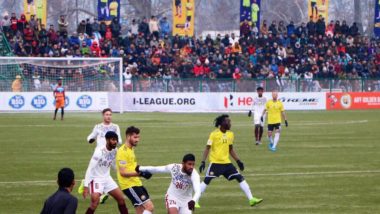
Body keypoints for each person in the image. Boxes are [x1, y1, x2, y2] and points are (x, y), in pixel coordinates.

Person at [198, 115, 263, 207]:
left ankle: (251, 199)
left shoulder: (230, 134)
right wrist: (203, 162)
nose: (230, 123)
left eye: (230, 122)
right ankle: (195, 200)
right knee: (207, 180)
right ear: (221, 123)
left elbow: (230, 149)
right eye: (227, 121)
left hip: (227, 163)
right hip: (215, 162)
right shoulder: (214, 134)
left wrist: (238, 161)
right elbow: (207, 148)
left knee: (239, 177)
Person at [136, 153, 201, 214]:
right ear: (183, 163)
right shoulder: (174, 167)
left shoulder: (194, 175)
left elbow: (198, 191)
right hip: (172, 197)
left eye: (193, 164)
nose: (191, 167)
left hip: (186, 201)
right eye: (189, 164)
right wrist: (140, 168)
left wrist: (193, 200)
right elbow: (157, 169)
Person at [82, 131, 129, 214]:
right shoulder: (99, 152)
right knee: (94, 202)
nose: (115, 142)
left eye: (116, 140)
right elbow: (90, 168)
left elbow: (114, 164)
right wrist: (86, 186)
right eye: (113, 140)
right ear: (107, 140)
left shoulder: (115, 150)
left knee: (121, 199)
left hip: (107, 178)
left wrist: (122, 172)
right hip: (96, 179)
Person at [116, 126, 154, 214]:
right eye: (135, 137)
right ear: (128, 137)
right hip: (129, 185)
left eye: (138, 137)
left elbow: (132, 165)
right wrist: (140, 174)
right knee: (149, 207)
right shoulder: (122, 152)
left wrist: (143, 170)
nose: (137, 140)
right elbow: (123, 172)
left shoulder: (131, 149)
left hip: (136, 183)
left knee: (140, 210)